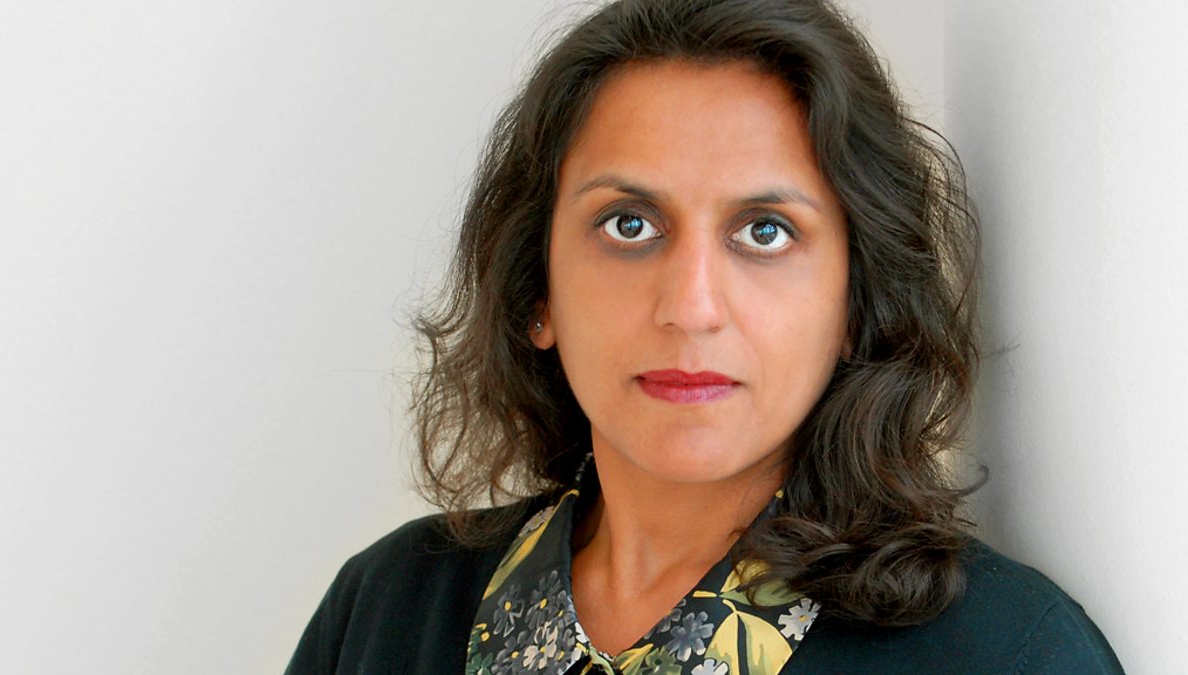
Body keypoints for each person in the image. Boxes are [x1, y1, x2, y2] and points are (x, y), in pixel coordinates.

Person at [286, 0, 1123, 672]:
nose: (691, 307)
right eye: (629, 223)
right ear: (536, 291)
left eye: (764, 231)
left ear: (854, 302)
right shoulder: (387, 608)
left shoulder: (1007, 652)